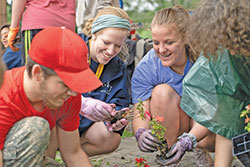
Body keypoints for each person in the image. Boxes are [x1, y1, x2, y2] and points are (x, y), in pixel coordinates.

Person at [157, 0, 250, 166]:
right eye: (227, 43)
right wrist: (189, 139)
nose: (233, 50)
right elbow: (227, 120)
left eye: (236, 42)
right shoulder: (227, 56)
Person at [0, 26, 103, 167]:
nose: (73, 92)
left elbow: (73, 153)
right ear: (38, 74)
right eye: (66, 84)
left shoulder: (69, 95)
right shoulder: (5, 96)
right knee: (36, 127)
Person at [131, 6, 215, 166]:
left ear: (186, 37)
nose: (161, 50)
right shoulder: (148, 66)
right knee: (161, 92)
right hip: (177, 118)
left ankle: (199, 149)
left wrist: (189, 140)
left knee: (204, 141)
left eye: (169, 42)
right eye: (156, 42)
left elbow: (213, 110)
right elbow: (140, 108)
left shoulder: (205, 61)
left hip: (206, 125)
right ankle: (170, 157)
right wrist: (140, 132)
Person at [77, 6, 131, 157]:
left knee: (111, 139)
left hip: (83, 130)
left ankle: (72, 155)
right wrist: (81, 103)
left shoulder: (117, 67)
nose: (111, 51)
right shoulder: (73, 49)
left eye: (118, 46)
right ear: (94, 34)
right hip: (58, 124)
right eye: (106, 42)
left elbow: (120, 102)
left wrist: (116, 121)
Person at [8, 0, 76, 65]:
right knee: (63, 73)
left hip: (38, 22)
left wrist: (13, 29)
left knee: (32, 73)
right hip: (67, 26)